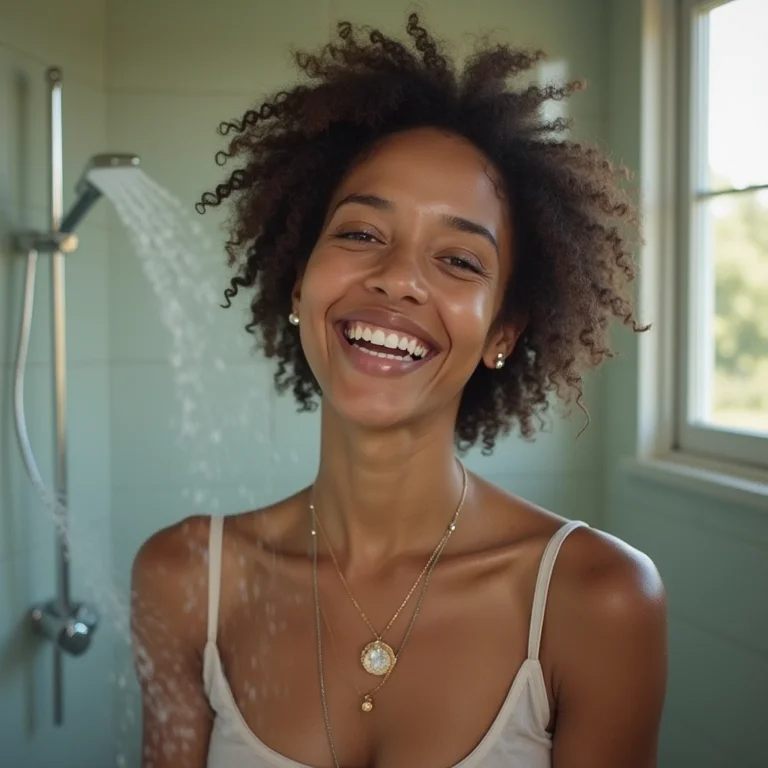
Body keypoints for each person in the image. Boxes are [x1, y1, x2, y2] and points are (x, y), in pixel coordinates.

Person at [131, 14, 667, 768]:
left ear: (503, 332)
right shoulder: (186, 576)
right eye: (358, 234)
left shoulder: (597, 598)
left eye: (458, 260)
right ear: (298, 281)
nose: (399, 278)